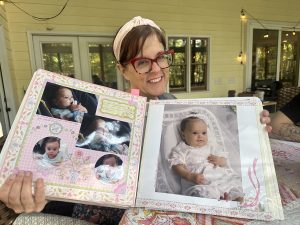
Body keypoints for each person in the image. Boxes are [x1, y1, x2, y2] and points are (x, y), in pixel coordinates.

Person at [0, 16, 271, 224]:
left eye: (161, 58)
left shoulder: (174, 107)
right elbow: (65, 173)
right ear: (123, 69)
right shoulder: (104, 112)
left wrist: (253, 130)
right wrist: (31, 195)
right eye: (142, 62)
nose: (156, 69)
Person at [169, 116, 243, 202]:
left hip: (218, 178)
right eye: (195, 133)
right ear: (183, 135)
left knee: (233, 187)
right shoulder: (182, 149)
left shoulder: (210, 147)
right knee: (203, 194)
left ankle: (235, 199)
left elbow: (225, 162)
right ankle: (218, 201)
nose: (200, 136)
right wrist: (189, 176)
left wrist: (219, 160)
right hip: (199, 181)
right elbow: (176, 165)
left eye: (204, 133)